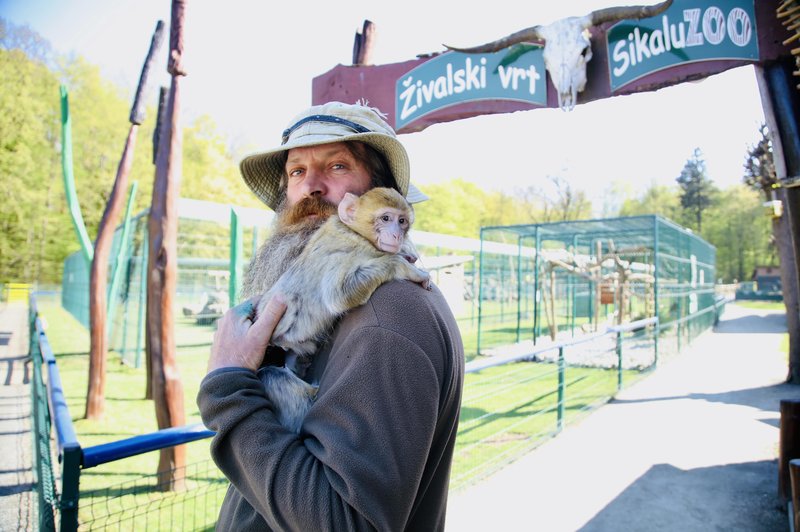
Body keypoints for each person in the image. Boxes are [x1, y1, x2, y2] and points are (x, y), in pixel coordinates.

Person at [197, 101, 465, 531]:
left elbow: (344, 522)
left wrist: (228, 389)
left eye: (337, 166)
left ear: (380, 195)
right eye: (296, 171)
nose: (311, 187)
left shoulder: (388, 313)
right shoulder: (336, 306)